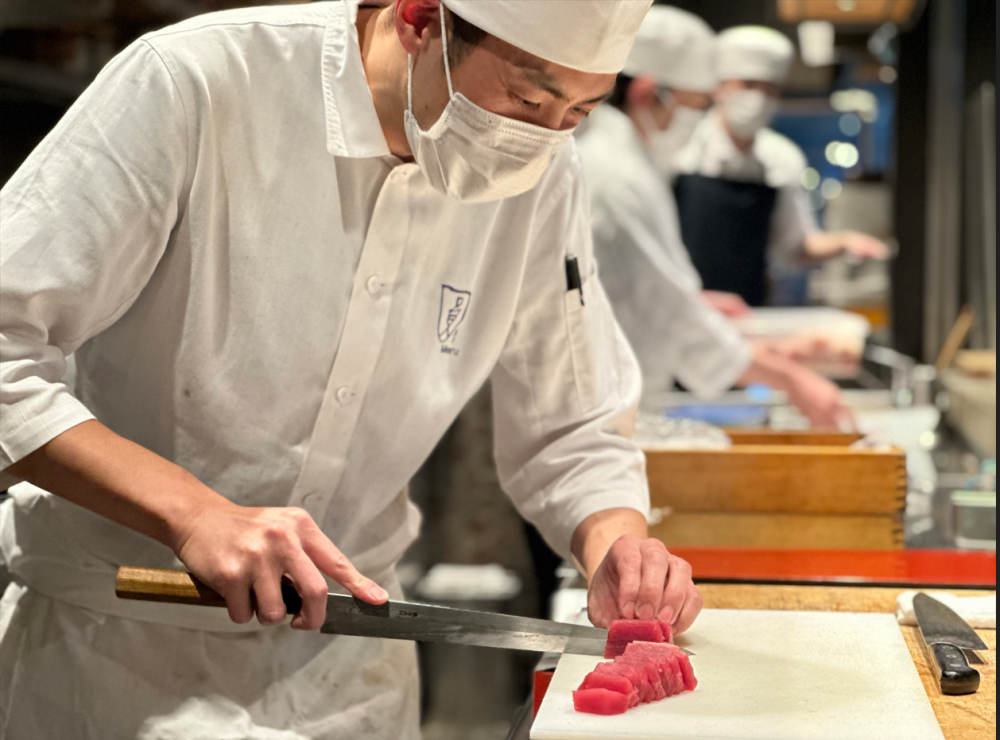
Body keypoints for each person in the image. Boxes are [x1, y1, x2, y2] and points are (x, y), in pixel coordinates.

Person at [0, 1, 704, 737]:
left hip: (348, 663)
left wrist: (617, 547)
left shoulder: (546, 169)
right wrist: (192, 511)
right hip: (111, 652)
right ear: (418, 20)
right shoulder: (198, 83)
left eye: (581, 110)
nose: (543, 134)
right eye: (526, 97)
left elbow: (574, 424)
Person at [577, 6, 853, 428]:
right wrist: (796, 382)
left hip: (614, 393)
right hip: (594, 404)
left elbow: (622, 285)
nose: (698, 121)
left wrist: (694, 301)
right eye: (695, 106)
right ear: (648, 95)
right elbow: (671, 315)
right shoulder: (618, 176)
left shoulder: (620, 156)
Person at [672, 25, 889, 307]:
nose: (758, 98)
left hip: (748, 309)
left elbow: (794, 246)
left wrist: (847, 242)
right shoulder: (679, 148)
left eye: (770, 90)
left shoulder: (782, 157)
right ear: (719, 88)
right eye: (748, 85)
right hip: (679, 307)